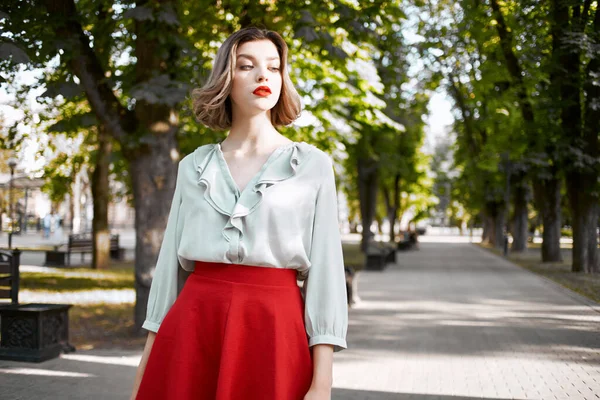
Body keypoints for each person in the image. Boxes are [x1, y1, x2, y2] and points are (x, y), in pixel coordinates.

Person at [130, 27, 348, 400]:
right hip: (193, 329)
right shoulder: (192, 167)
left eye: (274, 67)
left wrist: (322, 382)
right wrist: (144, 373)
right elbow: (168, 273)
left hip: (275, 329)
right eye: (247, 66)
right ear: (226, 80)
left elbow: (326, 274)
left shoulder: (312, 165)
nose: (263, 75)